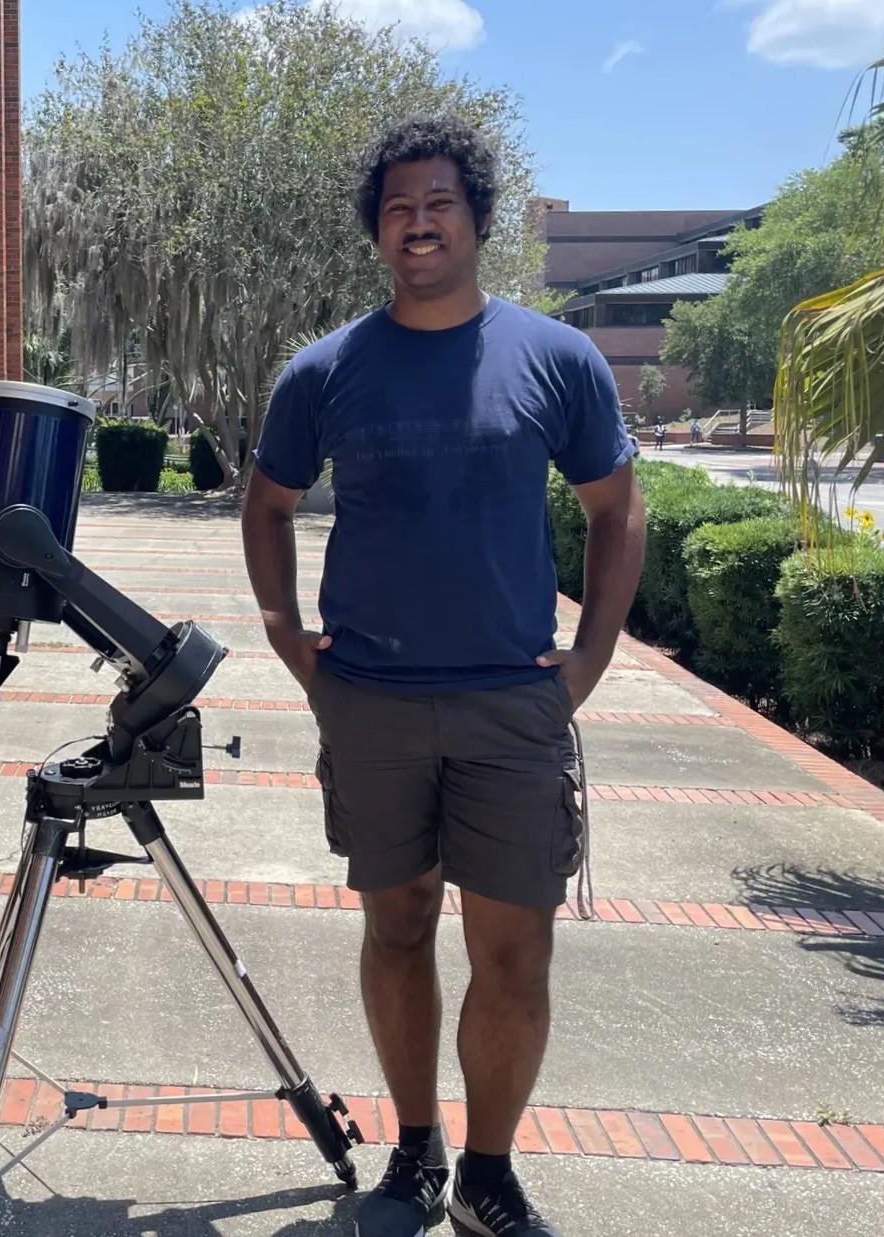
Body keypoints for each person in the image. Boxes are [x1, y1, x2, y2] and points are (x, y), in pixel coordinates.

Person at [241, 115, 645, 1237]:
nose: (417, 224)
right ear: (377, 233)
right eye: (396, 210)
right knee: (398, 924)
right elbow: (266, 505)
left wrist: (588, 658)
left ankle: (488, 1168)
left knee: (513, 949)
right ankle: (412, 1149)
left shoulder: (552, 357)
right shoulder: (324, 370)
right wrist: (287, 635)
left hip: (511, 704)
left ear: (473, 217)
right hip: (367, 698)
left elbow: (615, 511)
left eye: (437, 204)